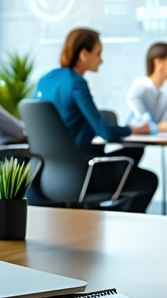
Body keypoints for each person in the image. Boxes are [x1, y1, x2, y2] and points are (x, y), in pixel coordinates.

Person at [33, 28, 158, 211]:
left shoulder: (46, 80)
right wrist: (134, 129)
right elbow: (105, 132)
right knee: (149, 180)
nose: (102, 60)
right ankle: (113, 218)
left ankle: (100, 215)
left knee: (133, 153)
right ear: (84, 54)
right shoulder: (76, 83)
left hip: (47, 176)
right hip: (81, 173)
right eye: (98, 54)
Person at [125, 42, 167, 130]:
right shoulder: (139, 87)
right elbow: (141, 125)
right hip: (135, 142)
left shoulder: (163, 96)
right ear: (159, 62)